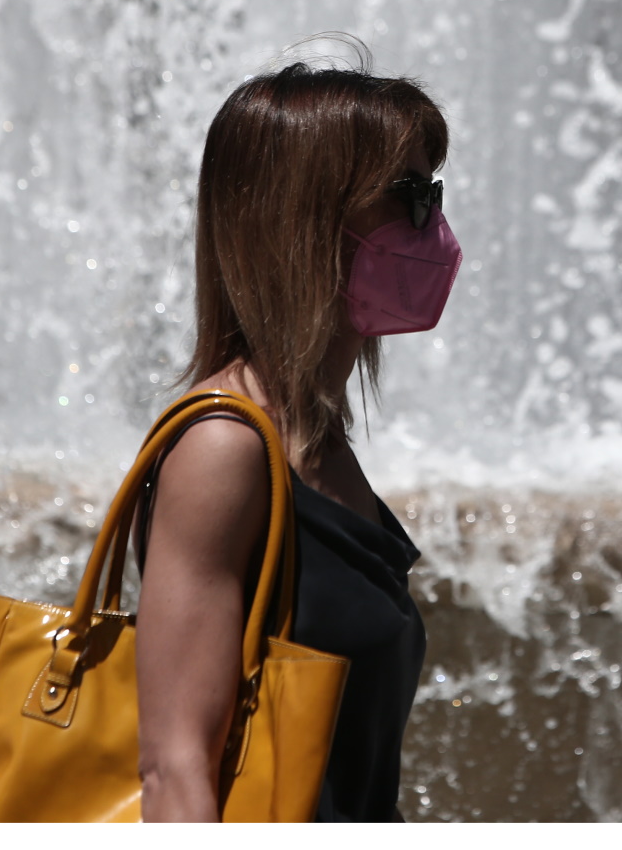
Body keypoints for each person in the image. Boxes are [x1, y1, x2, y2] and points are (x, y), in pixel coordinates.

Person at [134, 55, 461, 822]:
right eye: (408, 196)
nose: (434, 227)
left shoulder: (315, 438)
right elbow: (175, 772)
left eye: (434, 194)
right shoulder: (224, 445)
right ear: (306, 217)